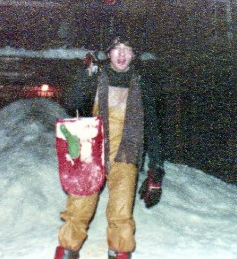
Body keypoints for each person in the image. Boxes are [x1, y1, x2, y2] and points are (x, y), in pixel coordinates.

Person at [55, 37, 165, 259]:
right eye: (117, 49)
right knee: (78, 207)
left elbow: (152, 127)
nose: (122, 54)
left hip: (126, 153)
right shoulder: (97, 77)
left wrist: (156, 167)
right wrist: (86, 75)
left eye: (128, 49)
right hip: (92, 151)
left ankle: (119, 253)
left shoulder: (142, 84)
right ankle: (67, 250)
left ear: (134, 55)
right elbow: (71, 101)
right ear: (109, 53)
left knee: (121, 212)